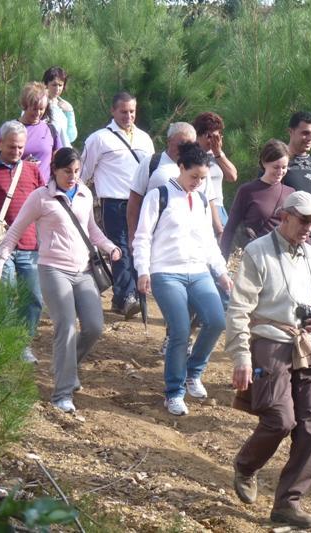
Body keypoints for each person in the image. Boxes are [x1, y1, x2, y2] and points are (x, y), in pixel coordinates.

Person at [228, 191, 311, 530]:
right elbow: (239, 309)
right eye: (304, 219)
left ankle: (289, 504)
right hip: (270, 340)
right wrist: (241, 356)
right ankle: (246, 465)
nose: (309, 226)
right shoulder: (258, 252)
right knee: (280, 418)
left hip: (308, 344)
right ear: (285, 216)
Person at [0, 148, 121, 413]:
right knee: (66, 326)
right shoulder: (40, 197)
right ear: (54, 170)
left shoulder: (84, 193)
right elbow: (14, 232)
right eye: (67, 171)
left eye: (76, 171)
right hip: (53, 269)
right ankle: (62, 393)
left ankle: (65, 367)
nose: (72, 177)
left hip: (84, 270)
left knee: (94, 326)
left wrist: (110, 247)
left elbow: (91, 229)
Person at [132, 142, 230, 416]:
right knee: (180, 329)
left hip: (198, 270)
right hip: (165, 271)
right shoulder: (159, 196)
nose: (198, 183)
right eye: (194, 176)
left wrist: (221, 272)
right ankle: (174, 391)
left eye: (203, 178)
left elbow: (208, 241)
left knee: (216, 321)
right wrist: (143, 270)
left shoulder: (200, 200)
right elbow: (142, 237)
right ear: (181, 167)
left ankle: (193, 372)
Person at [0, 120, 45, 364]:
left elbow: (45, 206)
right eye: (12, 146)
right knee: (5, 294)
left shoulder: (32, 171)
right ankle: (4, 345)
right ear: (0, 143)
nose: (16, 151)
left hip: (29, 246)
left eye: (21, 147)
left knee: (34, 298)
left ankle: (22, 343)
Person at [81, 91, 154, 319]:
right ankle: (127, 296)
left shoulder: (144, 139)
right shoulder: (99, 139)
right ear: (113, 111)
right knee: (120, 248)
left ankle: (127, 295)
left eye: (132, 111)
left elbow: (152, 171)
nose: (128, 116)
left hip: (140, 201)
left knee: (138, 246)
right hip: (113, 201)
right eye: (123, 112)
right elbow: (84, 172)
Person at [127, 122, 222, 249]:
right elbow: (134, 201)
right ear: (169, 141)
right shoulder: (151, 163)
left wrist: (220, 232)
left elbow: (209, 202)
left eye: (190, 145)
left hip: (193, 243)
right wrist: (133, 236)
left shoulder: (201, 168)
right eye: (181, 144)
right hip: (158, 241)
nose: (185, 149)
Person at [220, 139, 295, 258]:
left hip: (283, 257)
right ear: (264, 163)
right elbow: (230, 228)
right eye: (276, 167)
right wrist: (222, 259)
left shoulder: (290, 192)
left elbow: (298, 228)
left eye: (284, 167)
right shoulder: (247, 191)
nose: (280, 172)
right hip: (255, 257)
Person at [0, 82, 62, 185]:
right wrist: (22, 165)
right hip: (16, 186)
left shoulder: (50, 130)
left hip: (44, 189)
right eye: (34, 109)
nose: (38, 113)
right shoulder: (9, 129)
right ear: (25, 105)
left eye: (41, 109)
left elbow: (59, 161)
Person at [283, 111, 311, 245]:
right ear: (291, 132)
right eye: (305, 133)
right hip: (290, 238)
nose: (310, 138)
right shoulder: (279, 164)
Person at [193, 112, 237, 226]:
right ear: (199, 135)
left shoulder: (216, 154)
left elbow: (232, 176)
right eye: (210, 137)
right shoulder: (189, 154)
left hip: (218, 206)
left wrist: (218, 153)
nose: (213, 141)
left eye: (217, 137)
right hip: (198, 207)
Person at [43, 66, 77, 147]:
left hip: (63, 150)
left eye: (60, 85)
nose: (57, 89)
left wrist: (70, 113)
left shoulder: (66, 106)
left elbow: (71, 137)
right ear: (46, 84)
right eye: (54, 85)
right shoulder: (36, 103)